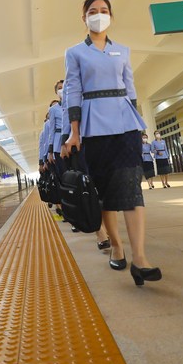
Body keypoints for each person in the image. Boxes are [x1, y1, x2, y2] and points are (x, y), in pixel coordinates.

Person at [61, 0, 161, 286]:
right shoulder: (75, 52)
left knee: (132, 188)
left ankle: (140, 259)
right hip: (94, 128)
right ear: (84, 18)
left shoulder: (124, 51)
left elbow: (130, 90)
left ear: (111, 17)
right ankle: (117, 247)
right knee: (104, 194)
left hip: (125, 125)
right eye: (93, 11)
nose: (99, 15)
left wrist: (139, 123)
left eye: (104, 11)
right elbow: (73, 91)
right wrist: (74, 131)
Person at [50, 78, 110, 249]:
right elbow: (62, 124)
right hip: (74, 145)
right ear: (56, 92)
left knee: (101, 188)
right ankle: (101, 233)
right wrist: (59, 145)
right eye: (60, 88)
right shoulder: (59, 107)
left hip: (93, 140)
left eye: (65, 87)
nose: (63, 90)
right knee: (86, 187)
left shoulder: (83, 94)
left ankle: (104, 227)